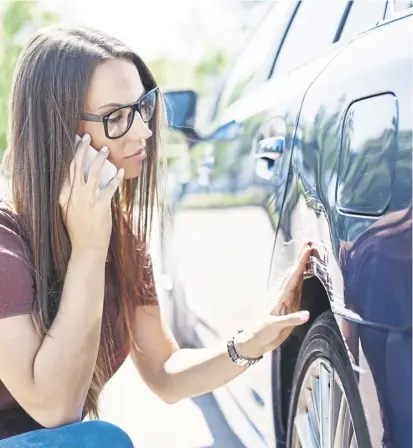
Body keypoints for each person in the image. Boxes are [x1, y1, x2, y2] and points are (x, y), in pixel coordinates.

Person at [0, 26, 312, 447]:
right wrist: (89, 250)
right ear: (57, 131)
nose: (143, 131)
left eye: (142, 107)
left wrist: (252, 342)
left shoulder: (121, 236)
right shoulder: (7, 241)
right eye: (115, 117)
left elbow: (164, 373)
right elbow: (55, 408)